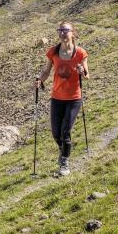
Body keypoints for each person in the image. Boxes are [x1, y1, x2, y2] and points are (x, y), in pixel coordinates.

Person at [35, 22, 89, 176]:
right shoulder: (53, 52)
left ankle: (64, 161)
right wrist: (40, 80)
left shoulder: (80, 53)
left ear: (73, 33)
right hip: (57, 97)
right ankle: (64, 148)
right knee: (55, 133)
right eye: (60, 30)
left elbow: (87, 75)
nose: (62, 33)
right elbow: (46, 71)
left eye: (66, 30)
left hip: (74, 98)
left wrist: (81, 72)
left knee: (65, 132)